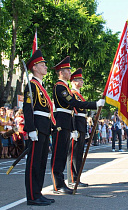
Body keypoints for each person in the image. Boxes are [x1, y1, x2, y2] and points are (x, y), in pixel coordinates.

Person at [51, 56, 105, 194]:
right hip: (61, 122)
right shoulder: (59, 87)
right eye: (68, 70)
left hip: (66, 121)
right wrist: (94, 104)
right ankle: (58, 184)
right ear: (61, 72)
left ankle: (62, 183)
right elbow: (74, 104)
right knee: (60, 155)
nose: (70, 73)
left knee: (63, 154)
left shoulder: (65, 87)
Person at [23, 49, 56, 206]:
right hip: (36, 128)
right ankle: (32, 196)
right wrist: (30, 129)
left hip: (44, 128)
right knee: (33, 164)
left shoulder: (41, 86)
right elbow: (27, 109)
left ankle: (38, 192)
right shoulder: (31, 86)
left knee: (42, 163)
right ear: (34, 68)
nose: (45, 67)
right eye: (42, 64)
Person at [67, 68, 91, 188]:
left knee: (79, 153)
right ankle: (72, 178)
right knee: (73, 153)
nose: (81, 82)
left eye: (81, 80)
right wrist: (73, 129)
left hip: (82, 123)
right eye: (79, 80)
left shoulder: (79, 95)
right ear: (74, 81)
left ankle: (77, 178)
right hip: (76, 123)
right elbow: (73, 111)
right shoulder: (72, 94)